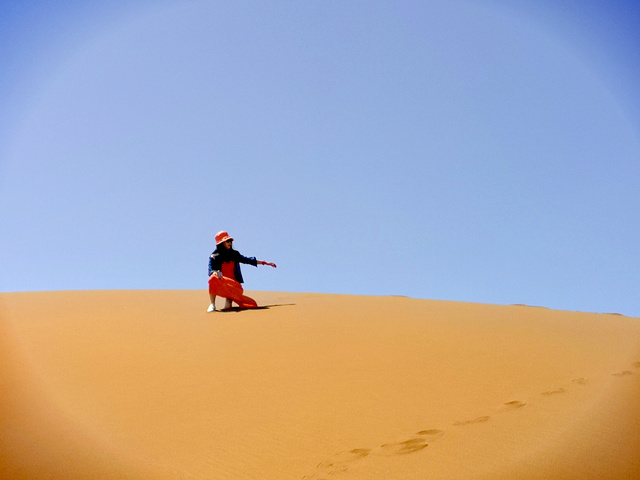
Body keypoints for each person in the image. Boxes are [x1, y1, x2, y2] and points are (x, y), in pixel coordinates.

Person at [207, 231, 276, 312]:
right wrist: (214, 272)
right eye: (227, 241)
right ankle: (212, 304)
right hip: (222, 282)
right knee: (212, 278)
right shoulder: (214, 256)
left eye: (230, 241)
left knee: (232, 307)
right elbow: (210, 269)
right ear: (221, 243)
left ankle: (229, 301)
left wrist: (265, 263)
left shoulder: (234, 254)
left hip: (233, 285)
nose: (230, 243)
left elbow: (248, 260)